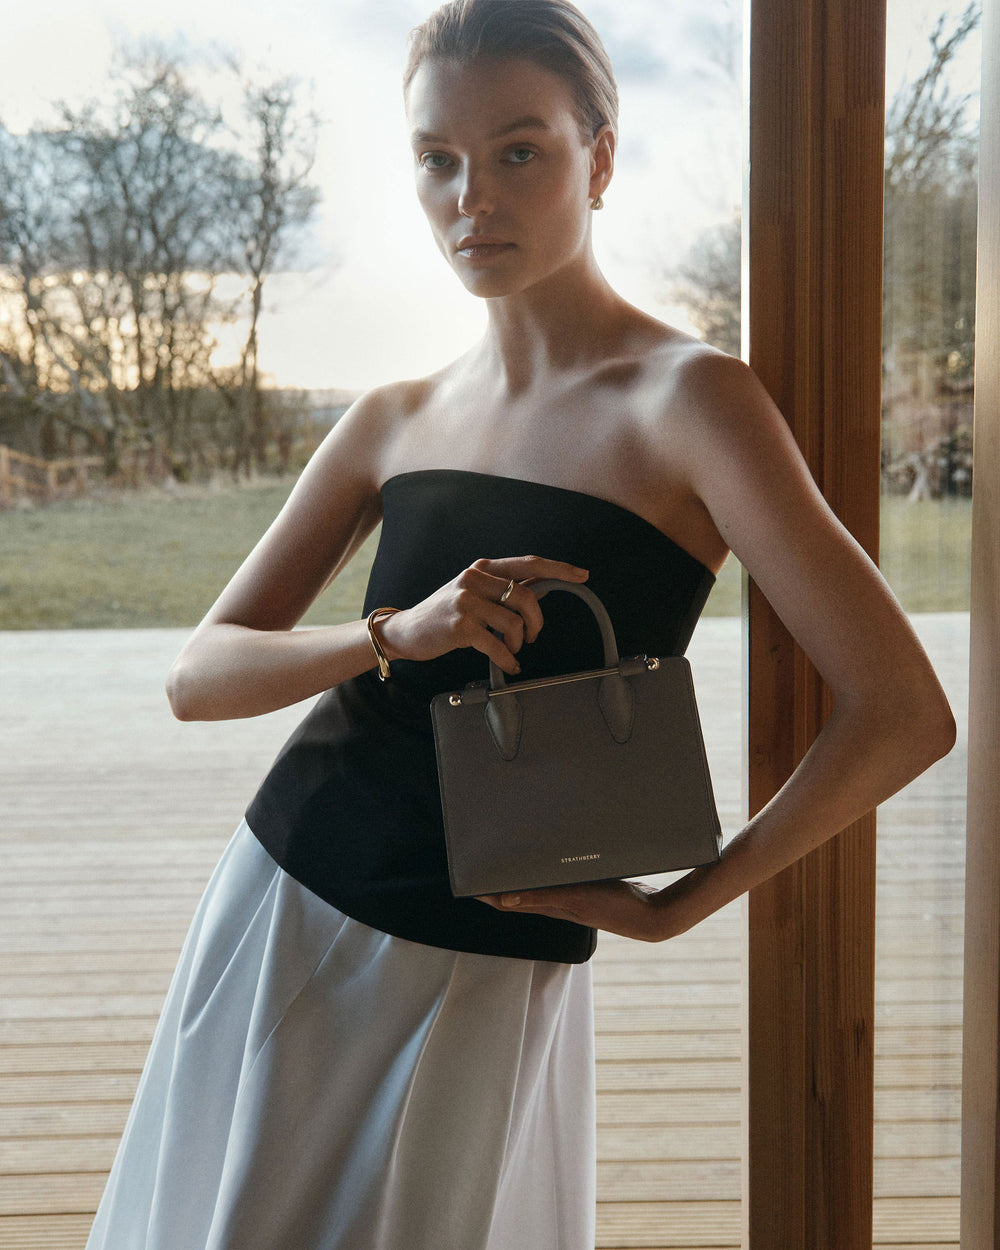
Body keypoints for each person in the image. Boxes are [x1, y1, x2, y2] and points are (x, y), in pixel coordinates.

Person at [85, 1, 956, 1247]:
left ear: (599, 158)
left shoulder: (691, 401)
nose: (471, 198)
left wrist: (681, 902)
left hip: (496, 953)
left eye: (518, 151)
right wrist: (393, 633)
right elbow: (199, 676)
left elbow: (902, 711)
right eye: (436, 158)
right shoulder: (393, 415)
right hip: (288, 902)